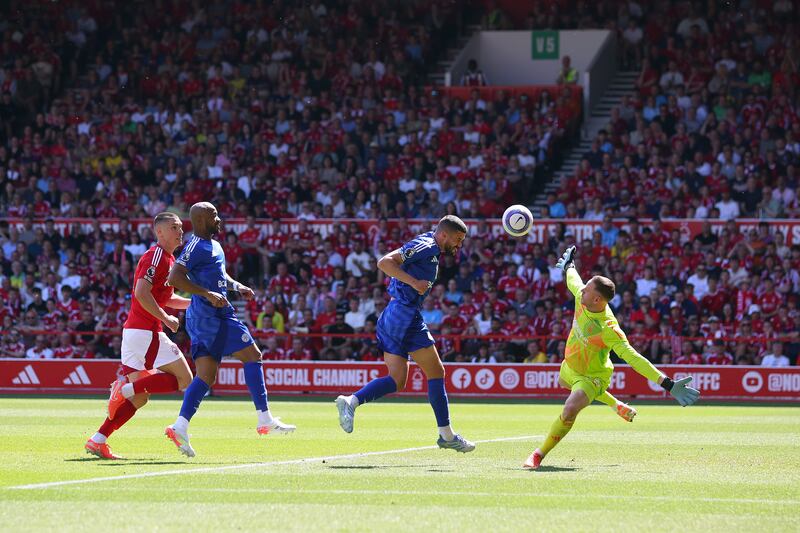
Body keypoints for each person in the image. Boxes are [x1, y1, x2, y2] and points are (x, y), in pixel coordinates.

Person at [523, 246, 700, 470]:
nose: (582, 291)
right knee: (566, 385)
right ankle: (616, 404)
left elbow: (634, 358)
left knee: (570, 409)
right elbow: (572, 279)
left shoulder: (609, 329)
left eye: (587, 290)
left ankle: (538, 455)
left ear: (597, 299)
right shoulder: (582, 297)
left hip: (594, 375)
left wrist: (667, 383)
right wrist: (569, 264)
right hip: (569, 366)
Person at [335, 215, 475, 452]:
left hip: (393, 315)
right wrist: (413, 282)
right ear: (443, 234)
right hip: (405, 314)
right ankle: (447, 435)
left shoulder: (429, 246)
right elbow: (385, 262)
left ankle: (352, 401)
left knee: (397, 380)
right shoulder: (427, 245)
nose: (458, 245)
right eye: (457, 239)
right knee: (436, 371)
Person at [165, 202, 295, 458]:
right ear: (201, 220)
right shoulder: (193, 246)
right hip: (208, 316)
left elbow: (221, 276)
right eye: (214, 215)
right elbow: (174, 277)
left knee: (206, 376)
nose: (219, 218)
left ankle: (180, 426)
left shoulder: (215, 245)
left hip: (214, 314)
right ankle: (264, 418)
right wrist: (207, 294)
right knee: (253, 355)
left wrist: (237, 287)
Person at [85, 212, 193, 460]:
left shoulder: (168, 259)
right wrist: (166, 319)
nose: (180, 230)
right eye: (174, 226)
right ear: (160, 232)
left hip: (137, 333)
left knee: (141, 396)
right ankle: (123, 388)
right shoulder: (157, 256)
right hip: (146, 332)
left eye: (180, 226)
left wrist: (197, 301)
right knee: (185, 379)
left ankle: (98, 440)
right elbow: (141, 292)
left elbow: (165, 299)